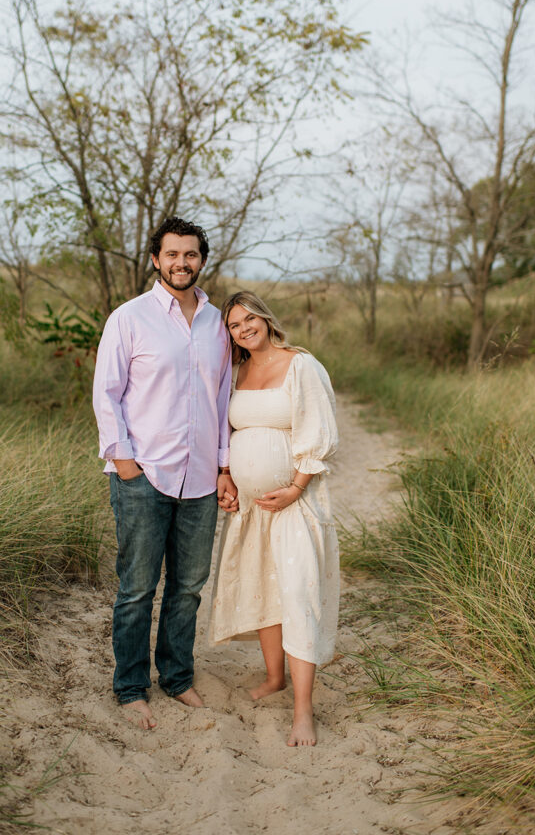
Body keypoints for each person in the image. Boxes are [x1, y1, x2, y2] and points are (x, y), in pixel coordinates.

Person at [92, 217, 235, 731]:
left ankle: (176, 677)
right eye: (172, 254)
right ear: (155, 259)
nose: (182, 263)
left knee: (189, 586)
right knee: (136, 587)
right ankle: (131, 686)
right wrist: (124, 460)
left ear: (202, 260)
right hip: (143, 475)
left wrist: (223, 465)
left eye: (191, 254)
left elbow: (223, 400)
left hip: (199, 477)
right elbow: (107, 393)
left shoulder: (219, 323)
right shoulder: (129, 318)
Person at [210, 291, 340, 747]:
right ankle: (274, 677)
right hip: (252, 509)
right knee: (264, 586)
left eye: (250, 319)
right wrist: (227, 476)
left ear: (265, 319)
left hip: (295, 503)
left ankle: (303, 711)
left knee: (297, 593)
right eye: (233, 324)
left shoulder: (301, 364)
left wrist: (296, 487)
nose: (243, 328)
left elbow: (320, 432)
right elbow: (226, 432)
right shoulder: (237, 372)